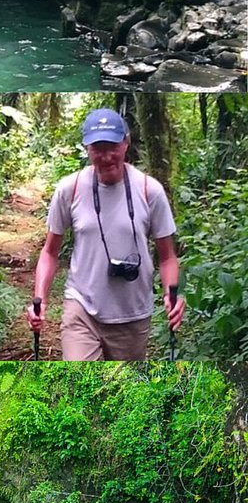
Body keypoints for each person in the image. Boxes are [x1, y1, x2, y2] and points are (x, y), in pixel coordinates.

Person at [27, 109, 185, 360]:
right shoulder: (70, 189)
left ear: (126, 142)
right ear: (87, 149)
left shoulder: (149, 190)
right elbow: (49, 251)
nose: (107, 156)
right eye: (98, 148)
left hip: (132, 315)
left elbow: (167, 257)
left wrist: (171, 293)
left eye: (113, 146)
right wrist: (40, 299)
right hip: (82, 309)